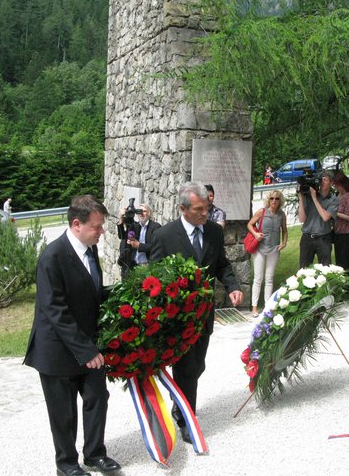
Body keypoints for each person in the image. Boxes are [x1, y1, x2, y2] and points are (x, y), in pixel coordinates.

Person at [23, 195, 120, 476]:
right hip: (57, 350)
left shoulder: (90, 251)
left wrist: (124, 295)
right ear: (77, 224)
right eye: (97, 227)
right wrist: (87, 351)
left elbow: (90, 293)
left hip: (87, 344)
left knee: (97, 399)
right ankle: (66, 465)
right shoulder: (52, 257)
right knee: (63, 412)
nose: (101, 232)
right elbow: (55, 310)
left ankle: (95, 454)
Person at [149, 182, 243, 443]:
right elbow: (155, 278)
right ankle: (185, 418)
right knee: (187, 368)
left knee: (196, 366)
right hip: (178, 318)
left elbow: (221, 264)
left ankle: (181, 405)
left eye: (207, 208)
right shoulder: (165, 235)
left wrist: (233, 286)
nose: (205, 214)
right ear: (183, 209)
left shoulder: (213, 231)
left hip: (204, 315)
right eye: (199, 209)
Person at [247, 190, 288, 317]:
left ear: (280, 200)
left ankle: (267, 306)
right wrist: (255, 234)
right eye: (271, 198)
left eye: (276, 198)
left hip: (274, 249)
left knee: (269, 279)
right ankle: (254, 307)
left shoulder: (282, 214)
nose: (274, 201)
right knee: (258, 278)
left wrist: (284, 242)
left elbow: (285, 230)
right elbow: (249, 224)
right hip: (260, 248)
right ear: (268, 200)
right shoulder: (261, 212)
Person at [297, 169, 339, 268]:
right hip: (307, 238)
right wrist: (301, 199)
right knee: (303, 269)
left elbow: (325, 217)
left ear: (331, 183)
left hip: (323, 239)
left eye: (325, 179)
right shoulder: (309, 196)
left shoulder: (333, 200)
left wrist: (315, 198)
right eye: (321, 179)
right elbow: (302, 219)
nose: (322, 182)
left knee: (325, 269)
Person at [116, 203, 161, 279]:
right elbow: (122, 236)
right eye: (139, 212)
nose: (141, 214)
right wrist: (121, 218)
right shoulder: (135, 226)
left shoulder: (155, 227)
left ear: (149, 213)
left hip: (147, 266)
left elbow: (156, 247)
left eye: (144, 211)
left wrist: (139, 246)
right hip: (133, 266)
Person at [332, 171, 349, 273]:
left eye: (337, 185)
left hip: (348, 234)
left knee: (345, 261)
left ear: (342, 184)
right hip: (338, 233)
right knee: (338, 261)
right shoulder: (338, 196)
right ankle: (340, 284)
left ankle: (346, 284)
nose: (335, 187)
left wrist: (336, 213)